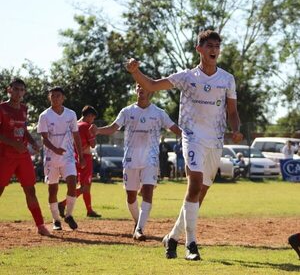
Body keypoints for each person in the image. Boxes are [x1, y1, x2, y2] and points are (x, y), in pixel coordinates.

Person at [126, 29, 243, 260]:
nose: (214, 50)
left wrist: (236, 129)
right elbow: (151, 85)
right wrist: (135, 71)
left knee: (199, 194)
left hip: (215, 140)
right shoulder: (187, 77)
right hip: (192, 136)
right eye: (209, 46)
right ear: (199, 49)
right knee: (195, 183)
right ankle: (191, 244)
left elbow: (232, 111)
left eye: (217, 46)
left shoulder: (227, 78)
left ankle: (172, 237)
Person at [90, 83, 181, 241]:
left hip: (150, 158)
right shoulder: (127, 111)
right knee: (131, 196)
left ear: (150, 90)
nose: (141, 89)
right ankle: (137, 222)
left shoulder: (159, 113)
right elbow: (113, 128)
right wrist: (98, 130)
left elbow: (174, 128)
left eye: (144, 86)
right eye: (138, 87)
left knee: (148, 191)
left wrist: (191, 136)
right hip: (131, 158)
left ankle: (139, 229)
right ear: (136, 90)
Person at [0, 78, 50, 236]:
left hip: (22, 156)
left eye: (21, 90)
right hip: (5, 156)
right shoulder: (2, 108)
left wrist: (32, 141)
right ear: (9, 90)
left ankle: (41, 225)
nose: (19, 92)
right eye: (15, 89)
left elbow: (23, 129)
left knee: (30, 190)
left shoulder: (24, 108)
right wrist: (14, 144)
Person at [37, 86, 85, 231]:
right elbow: (44, 138)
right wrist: (55, 149)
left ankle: (69, 215)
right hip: (52, 158)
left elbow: (76, 135)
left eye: (58, 96)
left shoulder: (71, 114)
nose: (55, 98)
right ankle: (56, 220)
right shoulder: (44, 116)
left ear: (63, 98)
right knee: (53, 190)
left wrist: (81, 156)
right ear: (49, 98)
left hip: (68, 156)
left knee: (72, 183)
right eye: (53, 96)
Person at [58, 105, 101, 218]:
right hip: (85, 158)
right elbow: (93, 144)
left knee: (86, 185)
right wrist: (94, 133)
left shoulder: (75, 125)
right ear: (89, 116)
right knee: (84, 187)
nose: (93, 120)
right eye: (93, 118)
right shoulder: (87, 126)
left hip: (73, 157)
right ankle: (62, 204)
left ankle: (89, 210)